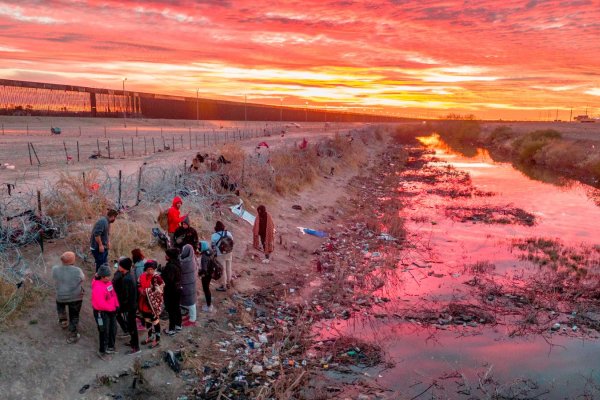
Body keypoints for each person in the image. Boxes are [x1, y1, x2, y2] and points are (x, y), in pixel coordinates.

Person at [52, 251, 84, 344]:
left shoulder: (55, 269)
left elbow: (54, 278)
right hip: (75, 297)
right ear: (73, 260)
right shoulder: (77, 270)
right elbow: (82, 279)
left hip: (61, 296)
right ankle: (73, 335)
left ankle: (63, 321)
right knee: (74, 316)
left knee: (60, 307)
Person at [91, 264, 119, 361]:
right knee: (104, 331)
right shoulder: (97, 287)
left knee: (113, 328)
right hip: (101, 313)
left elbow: (113, 294)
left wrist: (117, 305)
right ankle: (102, 351)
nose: (109, 278)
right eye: (107, 276)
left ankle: (110, 347)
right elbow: (100, 304)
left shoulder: (108, 283)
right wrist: (112, 309)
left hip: (111, 311)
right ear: (102, 277)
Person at [113, 258, 140, 355]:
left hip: (130, 306)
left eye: (119, 265)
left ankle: (136, 347)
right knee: (131, 325)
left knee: (132, 326)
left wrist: (121, 305)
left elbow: (126, 296)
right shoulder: (130, 274)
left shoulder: (126, 279)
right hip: (132, 304)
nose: (118, 266)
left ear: (123, 267)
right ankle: (133, 342)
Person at [138, 260, 163, 348]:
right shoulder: (142, 276)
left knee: (155, 322)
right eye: (148, 269)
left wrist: (148, 291)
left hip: (152, 305)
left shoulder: (157, 278)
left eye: (152, 269)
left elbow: (161, 290)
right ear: (145, 269)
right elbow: (138, 285)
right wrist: (141, 290)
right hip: (143, 303)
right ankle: (150, 336)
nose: (150, 271)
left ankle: (157, 339)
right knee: (147, 321)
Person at [162, 248, 182, 335]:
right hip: (178, 289)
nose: (165, 256)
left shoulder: (170, 266)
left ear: (170, 256)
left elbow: (168, 280)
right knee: (177, 308)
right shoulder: (177, 263)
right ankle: (178, 325)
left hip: (171, 291)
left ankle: (171, 329)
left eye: (167, 255)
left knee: (171, 310)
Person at [211, 221, 233, 291]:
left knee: (222, 270)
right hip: (229, 252)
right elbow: (232, 241)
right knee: (228, 268)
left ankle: (224, 285)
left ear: (216, 228)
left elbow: (213, 246)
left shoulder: (214, 236)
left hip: (220, 254)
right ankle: (228, 283)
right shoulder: (228, 233)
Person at [179, 244, 198, 326]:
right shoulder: (192, 258)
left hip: (188, 283)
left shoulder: (186, 262)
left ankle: (192, 319)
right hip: (190, 282)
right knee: (191, 301)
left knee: (191, 302)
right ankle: (191, 315)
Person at [198, 241, 215, 313]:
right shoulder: (210, 251)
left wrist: (199, 274)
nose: (198, 247)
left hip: (206, 275)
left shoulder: (204, 256)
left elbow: (204, 269)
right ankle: (209, 300)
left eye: (199, 246)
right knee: (207, 288)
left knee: (206, 289)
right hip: (211, 273)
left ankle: (209, 306)